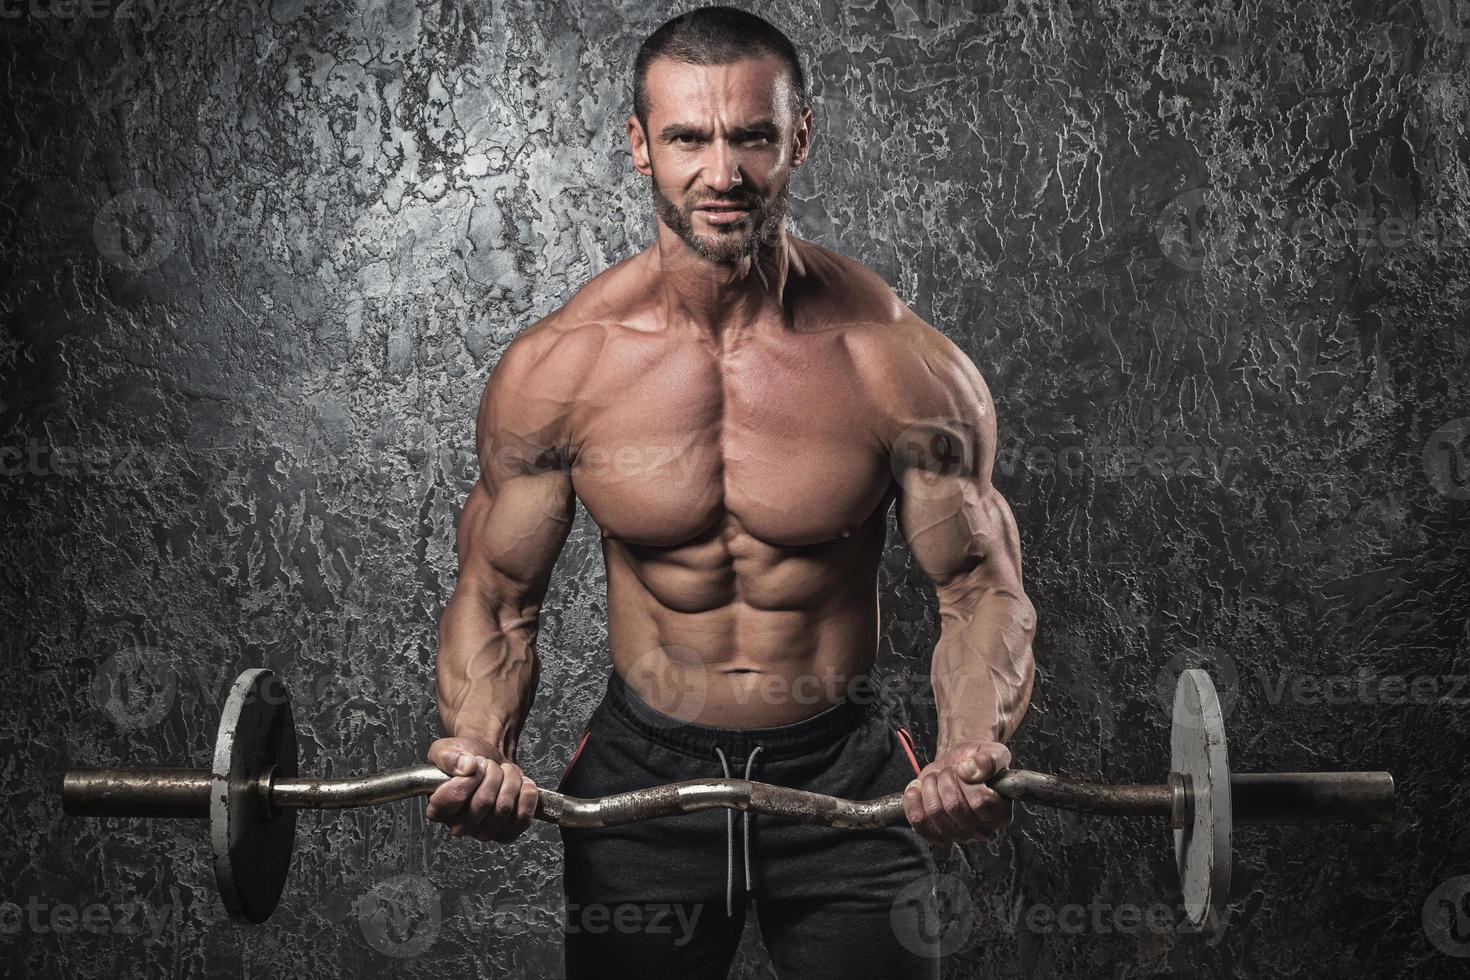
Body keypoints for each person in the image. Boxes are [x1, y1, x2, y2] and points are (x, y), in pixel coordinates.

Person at [424, 7, 1036, 977]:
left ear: (799, 136)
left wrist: (969, 745)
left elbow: (978, 587)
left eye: (752, 135)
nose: (723, 172)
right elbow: (499, 596)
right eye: (688, 138)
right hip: (643, 783)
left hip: (848, 778)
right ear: (639, 146)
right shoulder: (563, 370)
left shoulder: (894, 364)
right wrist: (478, 746)